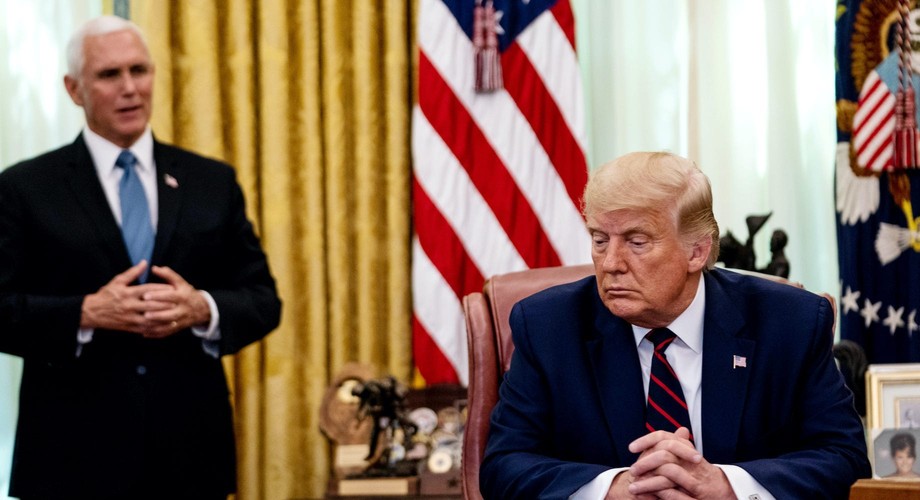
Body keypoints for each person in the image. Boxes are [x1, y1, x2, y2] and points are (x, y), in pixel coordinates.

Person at [0, 15, 281, 499]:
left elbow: (262, 299)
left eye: (139, 70)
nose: (130, 88)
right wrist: (84, 313)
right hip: (69, 457)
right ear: (74, 89)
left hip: (190, 454)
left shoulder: (211, 182)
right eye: (110, 75)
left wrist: (203, 309)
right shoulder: (24, 188)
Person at [480, 152, 870, 499]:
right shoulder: (548, 326)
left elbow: (845, 460)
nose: (611, 262)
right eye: (600, 240)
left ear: (696, 251)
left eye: (637, 242)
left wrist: (727, 486)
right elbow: (502, 467)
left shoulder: (789, 323)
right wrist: (611, 489)